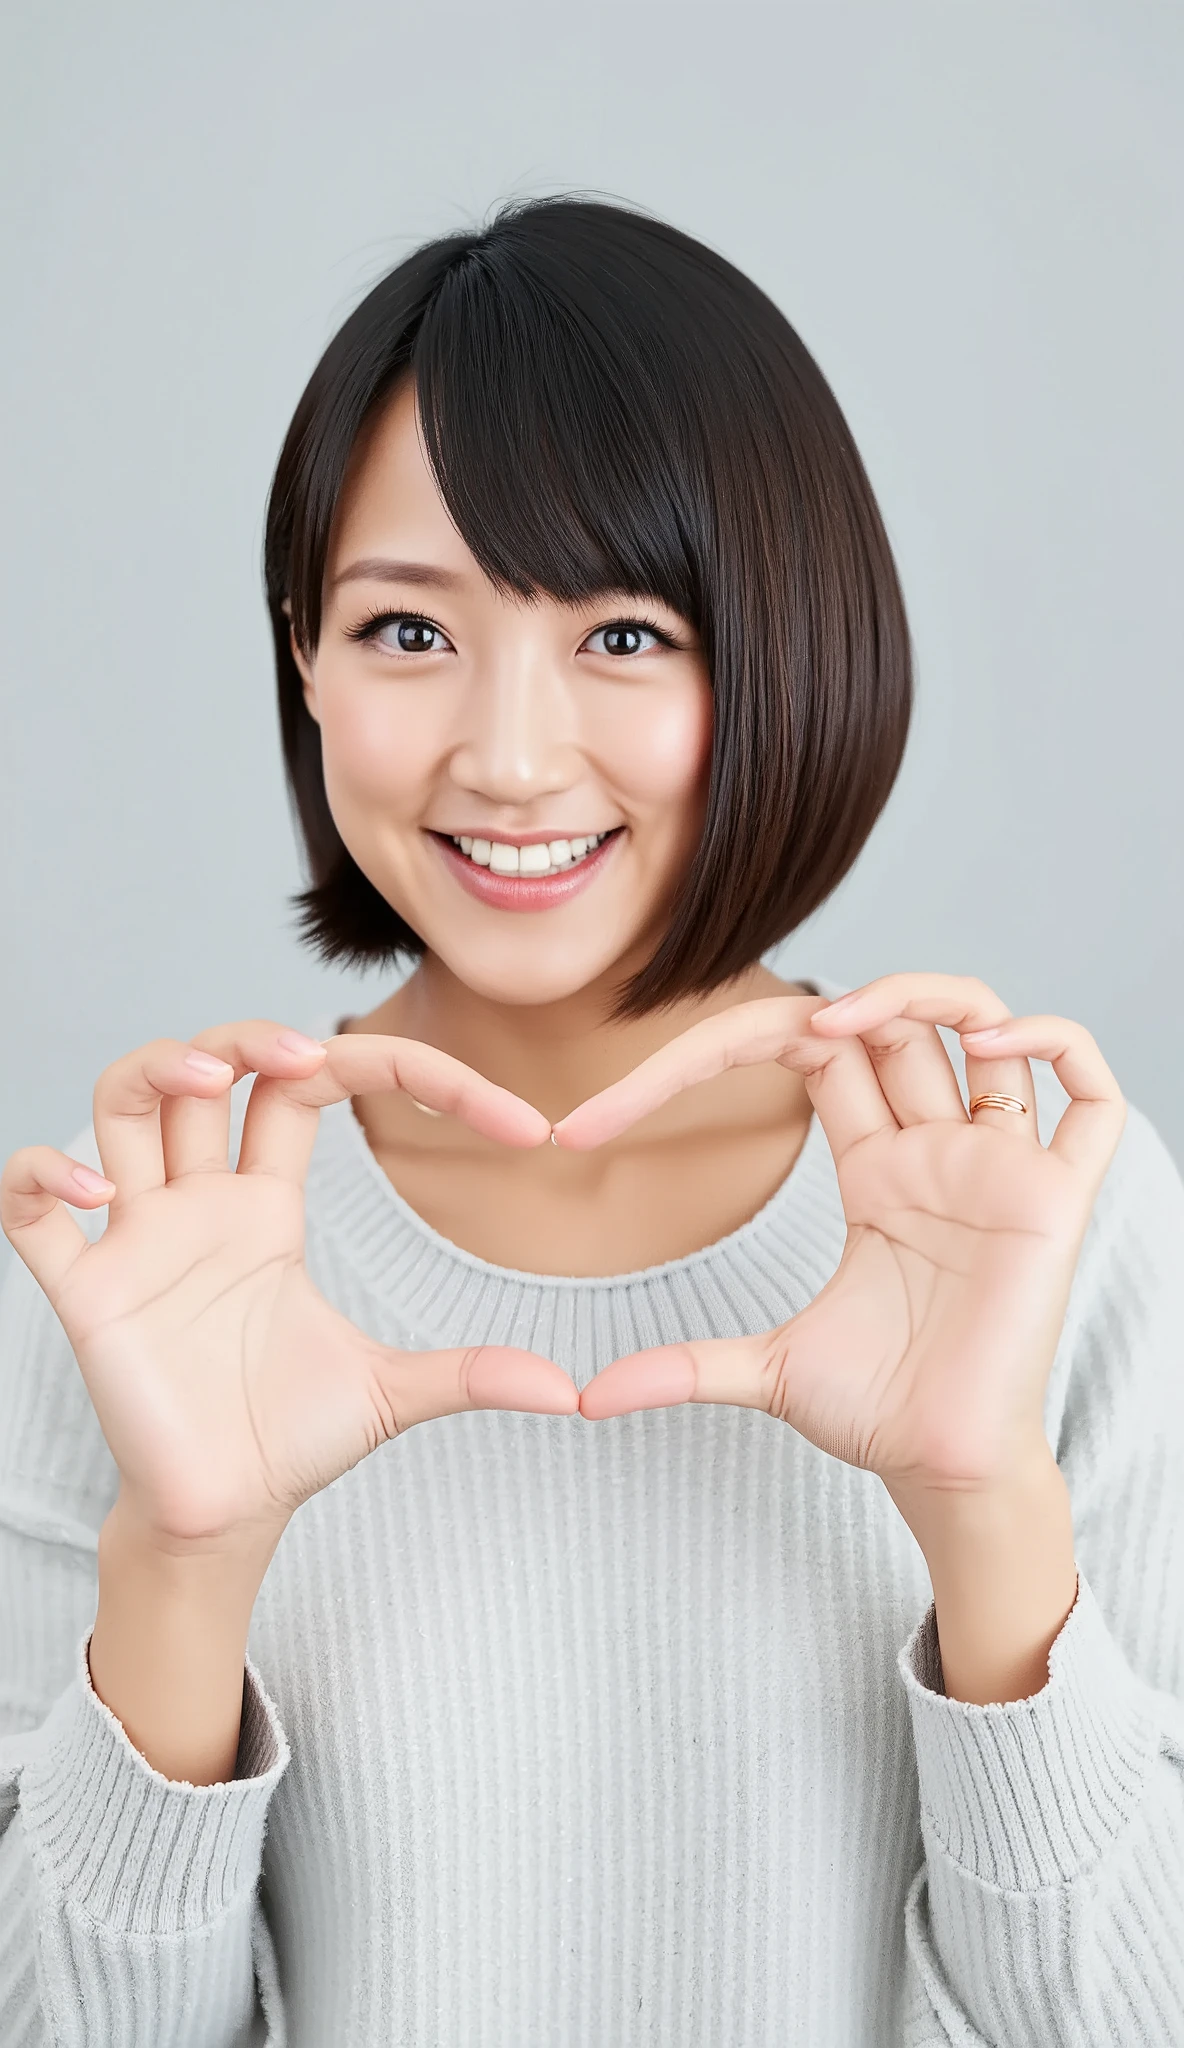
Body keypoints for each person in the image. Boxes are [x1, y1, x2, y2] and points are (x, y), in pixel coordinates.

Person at [1, 195, 1181, 2048]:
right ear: (302, 656)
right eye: (409, 629)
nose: (511, 754)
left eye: (625, 635)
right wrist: (188, 1561)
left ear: (786, 651)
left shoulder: (1046, 1215)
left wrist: (984, 1514)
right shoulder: (151, 1253)